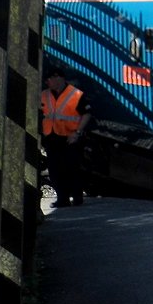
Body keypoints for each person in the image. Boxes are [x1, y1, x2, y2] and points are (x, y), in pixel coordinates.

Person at [41, 64, 92, 207]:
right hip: (52, 137)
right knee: (55, 170)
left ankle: (77, 197)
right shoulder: (44, 95)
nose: (47, 82)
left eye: (49, 79)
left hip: (70, 138)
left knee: (72, 168)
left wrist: (77, 133)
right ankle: (62, 199)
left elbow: (86, 114)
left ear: (58, 78)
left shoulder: (75, 94)